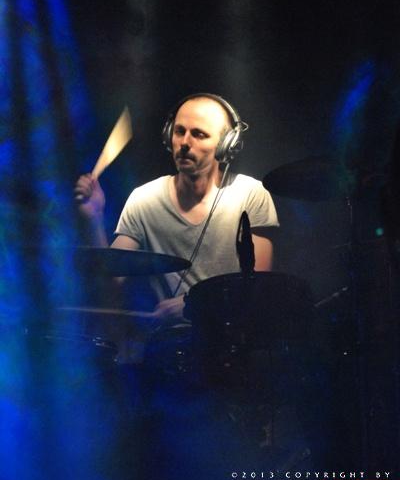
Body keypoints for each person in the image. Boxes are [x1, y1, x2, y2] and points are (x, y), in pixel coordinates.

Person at [74, 93, 279, 321]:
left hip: (229, 333)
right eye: (179, 131)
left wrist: (197, 303)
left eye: (199, 134)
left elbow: (258, 285)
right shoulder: (144, 199)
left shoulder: (251, 194)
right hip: (169, 336)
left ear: (226, 145)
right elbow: (111, 283)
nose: (184, 143)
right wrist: (94, 217)